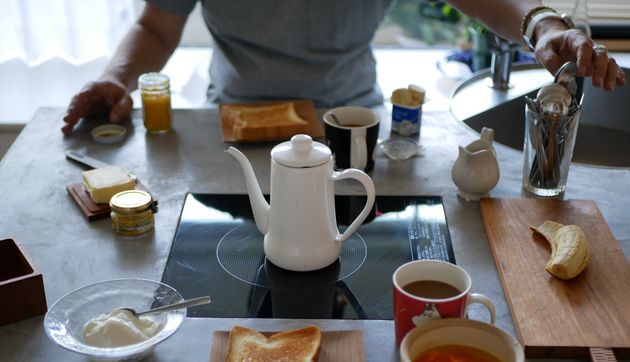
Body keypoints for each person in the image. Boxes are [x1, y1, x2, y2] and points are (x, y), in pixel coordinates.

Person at [61, 0, 626, 135]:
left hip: (357, 129)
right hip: (231, 134)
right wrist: (117, 75)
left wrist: (542, 24)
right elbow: (157, 25)